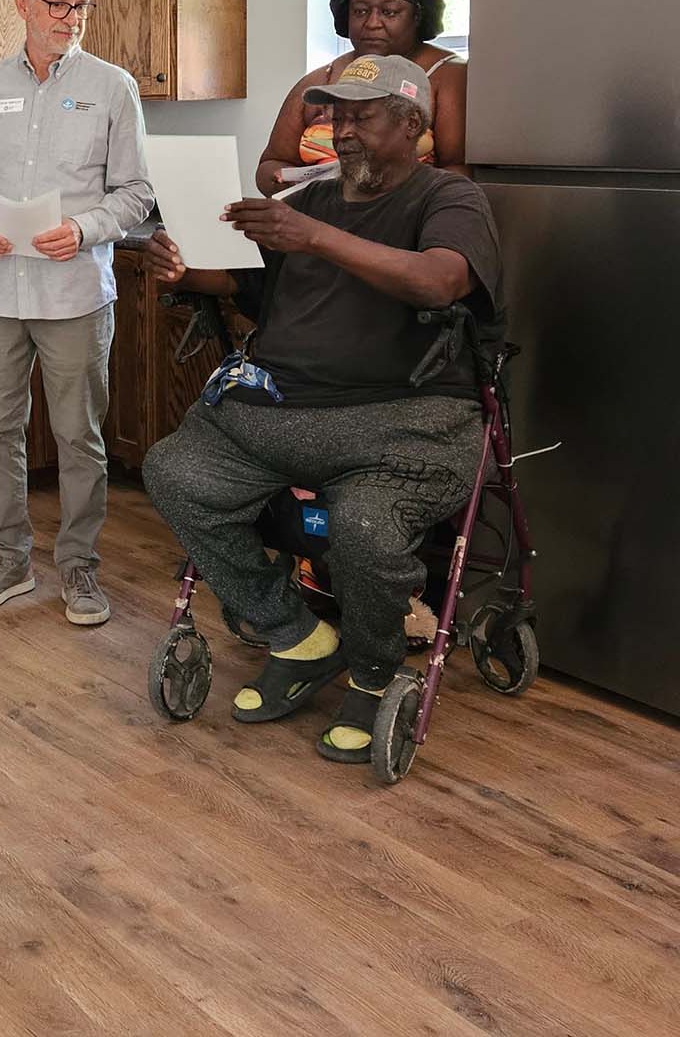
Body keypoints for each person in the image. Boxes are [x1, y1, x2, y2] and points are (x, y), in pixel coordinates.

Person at [141, 54, 501, 765]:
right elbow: (249, 288)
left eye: (363, 115)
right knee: (175, 472)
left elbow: (439, 281)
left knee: (364, 526)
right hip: (275, 414)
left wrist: (313, 237)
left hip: (402, 427)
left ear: (412, 124)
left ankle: (373, 672)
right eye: (337, 115)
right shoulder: (308, 203)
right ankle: (297, 636)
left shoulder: (449, 198)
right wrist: (186, 269)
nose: (343, 130)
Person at [0, 0, 153, 624]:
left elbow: (136, 192)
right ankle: (9, 560)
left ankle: (80, 567)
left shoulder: (113, 86)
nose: (70, 17)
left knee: (78, 436)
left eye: (79, 5)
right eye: (57, 4)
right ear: (23, 4)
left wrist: (85, 228)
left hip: (74, 294)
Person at [255, 0, 466, 196]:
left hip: (405, 212)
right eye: (360, 11)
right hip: (315, 208)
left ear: (416, 17)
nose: (372, 23)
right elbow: (271, 163)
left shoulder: (448, 76)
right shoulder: (320, 79)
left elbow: (459, 169)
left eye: (389, 12)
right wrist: (290, 186)